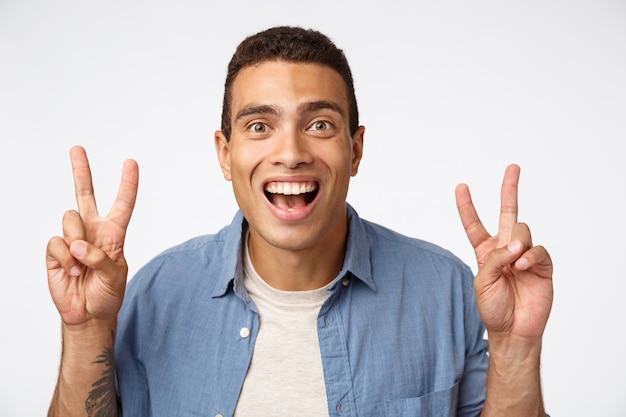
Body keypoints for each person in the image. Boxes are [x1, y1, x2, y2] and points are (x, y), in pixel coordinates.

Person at [46, 26, 553, 417]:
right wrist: (88, 329)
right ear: (225, 154)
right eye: (260, 126)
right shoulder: (154, 291)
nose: (290, 153)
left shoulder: (446, 290)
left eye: (319, 125)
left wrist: (516, 345)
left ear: (355, 149)